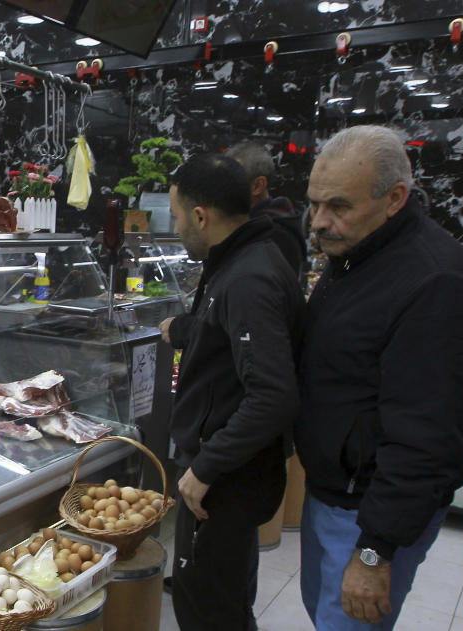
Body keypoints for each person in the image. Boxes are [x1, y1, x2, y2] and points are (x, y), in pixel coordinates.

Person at [296, 125, 463, 629]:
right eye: (314, 203)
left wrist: (373, 552)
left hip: (369, 513)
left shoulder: (437, 283)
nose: (319, 222)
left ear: (395, 199)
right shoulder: (357, 256)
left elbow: (428, 436)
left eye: (338, 206)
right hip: (331, 493)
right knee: (324, 615)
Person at [160, 154, 304, 630]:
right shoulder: (244, 258)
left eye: (178, 217)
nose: (178, 228)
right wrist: (182, 329)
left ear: (201, 216)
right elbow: (224, 338)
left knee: (208, 609)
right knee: (221, 599)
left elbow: (273, 395)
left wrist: (205, 465)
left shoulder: (249, 277)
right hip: (231, 472)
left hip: (226, 480)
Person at [225, 140, 307, 276]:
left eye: (230, 181)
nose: (222, 189)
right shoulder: (257, 226)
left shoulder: (274, 236)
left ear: (257, 186)